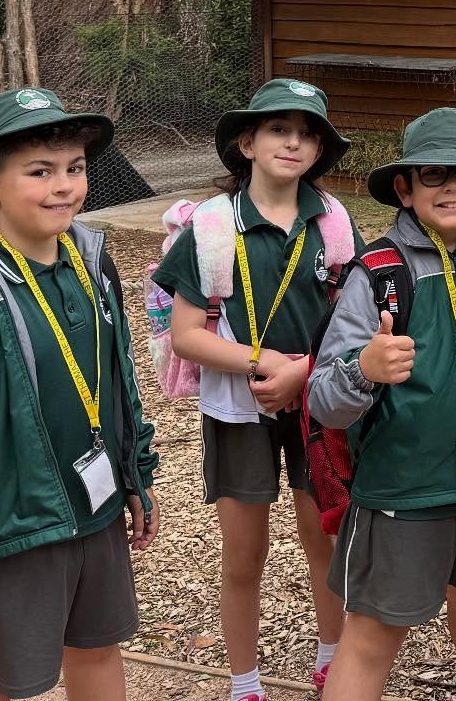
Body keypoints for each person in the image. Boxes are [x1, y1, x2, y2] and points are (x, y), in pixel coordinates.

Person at [150, 79, 361, 701]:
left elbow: (349, 316)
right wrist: (263, 361)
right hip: (236, 407)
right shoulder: (212, 226)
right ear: (247, 141)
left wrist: (303, 373)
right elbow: (187, 333)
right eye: (278, 129)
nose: (293, 143)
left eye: (307, 133)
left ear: (319, 149)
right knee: (245, 555)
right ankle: (244, 682)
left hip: (315, 405)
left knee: (323, 535)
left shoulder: (334, 220)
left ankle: (332, 661)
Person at [308, 108, 456, 701]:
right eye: (434, 172)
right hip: (404, 489)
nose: (452, 186)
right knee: (376, 629)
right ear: (404, 187)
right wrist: (364, 369)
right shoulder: (379, 272)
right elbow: (323, 401)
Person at [0, 88, 159, 701]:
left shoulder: (93, 264)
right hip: (3, 527)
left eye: (74, 169)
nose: (64, 186)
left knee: (98, 648)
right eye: (40, 172)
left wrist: (134, 472)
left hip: (92, 510)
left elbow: (118, 378)